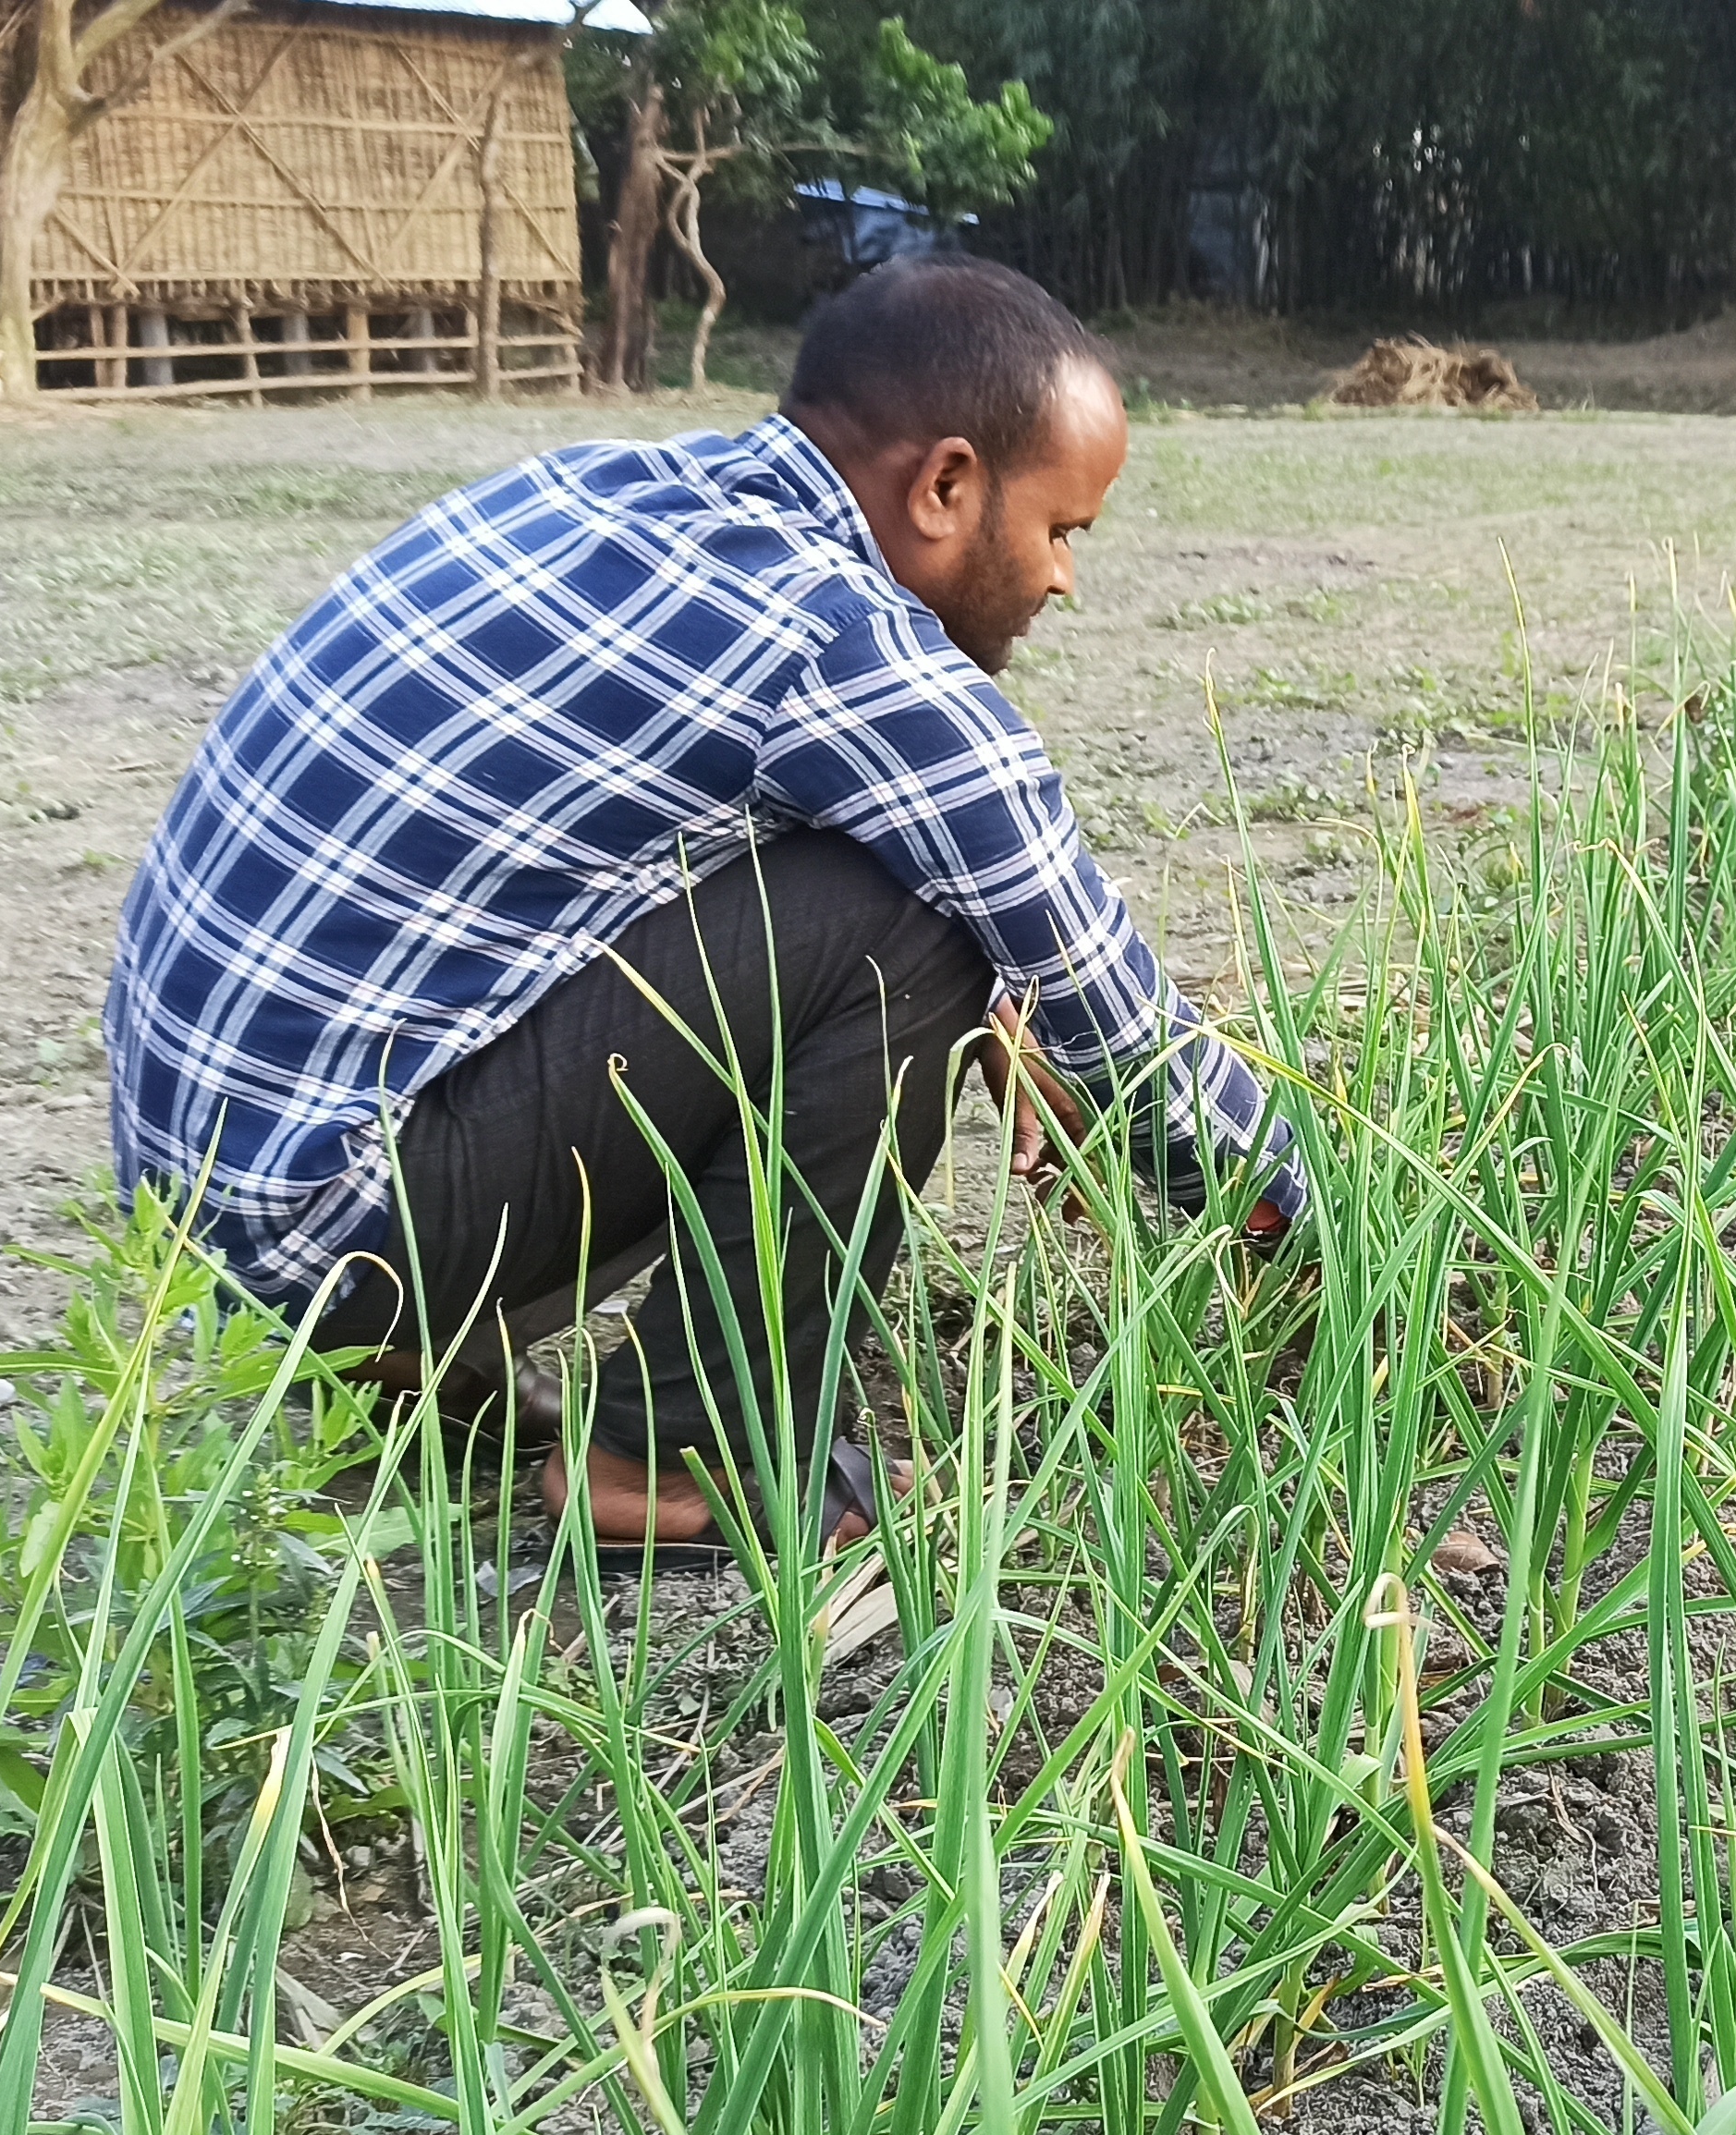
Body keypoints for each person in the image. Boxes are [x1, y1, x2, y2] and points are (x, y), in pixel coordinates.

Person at [104, 256, 1301, 1551]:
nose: (1065, 578)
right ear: (947, 486)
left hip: (194, 1216)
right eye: (1060, 531)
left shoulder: (610, 488)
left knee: (901, 894)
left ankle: (411, 1364)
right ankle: (674, 1453)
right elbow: (1117, 1023)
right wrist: (1319, 1234)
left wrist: (1018, 1007)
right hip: (325, 1226)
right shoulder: (840, 644)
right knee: (912, 937)